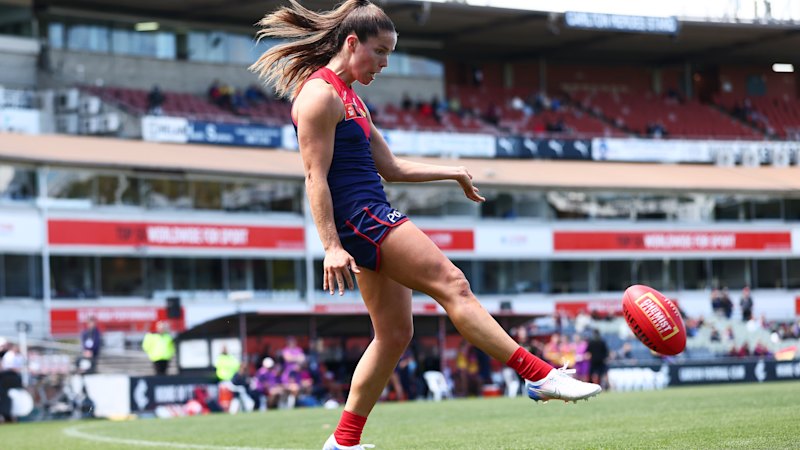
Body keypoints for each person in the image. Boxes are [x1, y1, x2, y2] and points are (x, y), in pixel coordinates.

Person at [250, 1, 600, 448]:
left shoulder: (350, 96)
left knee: (395, 334)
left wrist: (451, 171)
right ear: (352, 43)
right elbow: (314, 177)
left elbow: (390, 167)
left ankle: (343, 442)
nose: (384, 64)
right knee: (453, 284)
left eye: (390, 55)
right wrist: (331, 246)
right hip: (363, 220)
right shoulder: (319, 95)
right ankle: (540, 374)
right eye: (380, 52)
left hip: (368, 216)